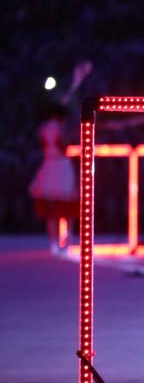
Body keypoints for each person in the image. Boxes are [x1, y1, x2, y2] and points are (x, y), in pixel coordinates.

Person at [29, 61, 92, 254]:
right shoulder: (59, 130)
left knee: (52, 209)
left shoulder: (43, 129)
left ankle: (54, 242)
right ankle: (67, 240)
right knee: (67, 207)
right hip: (60, 167)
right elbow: (63, 145)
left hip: (48, 166)